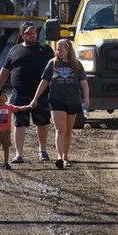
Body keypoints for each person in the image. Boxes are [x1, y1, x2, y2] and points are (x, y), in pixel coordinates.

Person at [0, 22, 53, 163]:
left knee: (42, 123)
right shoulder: (14, 50)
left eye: (34, 32)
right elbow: (5, 70)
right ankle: (19, 154)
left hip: (41, 93)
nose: (32, 35)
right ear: (22, 35)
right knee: (19, 124)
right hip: (20, 94)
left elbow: (53, 69)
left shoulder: (46, 49)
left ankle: (43, 150)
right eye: (28, 33)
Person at [29, 39, 90, 169]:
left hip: (73, 100)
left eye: (61, 50)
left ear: (68, 51)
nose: (59, 52)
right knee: (60, 129)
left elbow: (84, 83)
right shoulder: (52, 63)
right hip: (57, 100)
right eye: (58, 49)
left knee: (68, 131)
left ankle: (66, 156)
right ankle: (59, 157)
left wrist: (86, 98)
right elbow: (44, 82)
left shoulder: (76, 64)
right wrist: (35, 98)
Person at [0, 89, 31, 170]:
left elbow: (20, 108)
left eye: (5, 95)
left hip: (6, 132)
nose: (5, 96)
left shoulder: (9, 107)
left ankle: (6, 162)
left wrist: (29, 106)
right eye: (3, 95)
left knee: (6, 147)